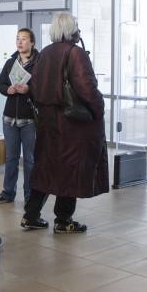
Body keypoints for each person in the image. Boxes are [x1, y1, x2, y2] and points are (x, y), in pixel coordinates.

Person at [21, 12, 108, 234]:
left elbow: (36, 87)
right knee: (70, 170)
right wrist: (99, 109)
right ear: (71, 30)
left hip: (48, 123)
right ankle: (64, 219)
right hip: (72, 123)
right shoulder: (75, 53)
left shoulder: (45, 54)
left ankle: (31, 215)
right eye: (77, 26)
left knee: (46, 170)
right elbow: (87, 88)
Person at [0, 29, 39, 206]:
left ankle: (30, 197)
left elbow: (43, 88)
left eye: (24, 39)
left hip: (29, 120)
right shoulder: (11, 62)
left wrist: (29, 90)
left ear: (32, 43)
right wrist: (7, 90)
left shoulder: (40, 63)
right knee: (10, 158)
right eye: (17, 39)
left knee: (29, 159)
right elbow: (1, 84)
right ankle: (8, 193)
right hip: (9, 119)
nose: (20, 42)